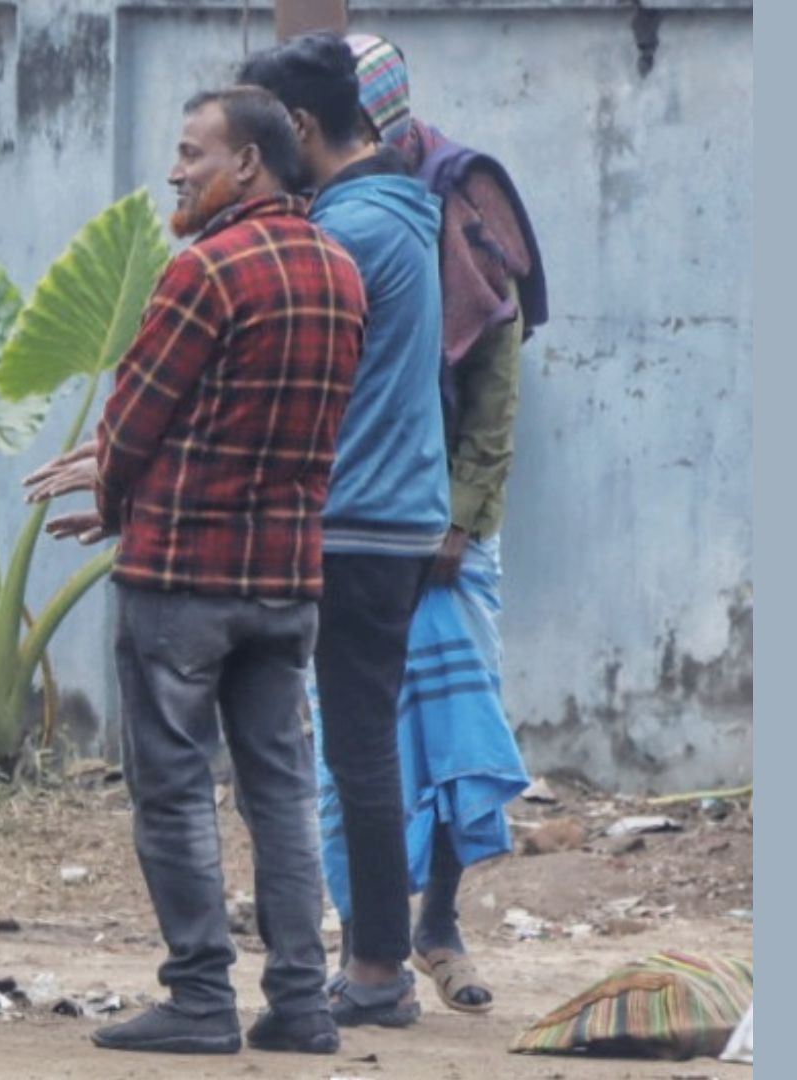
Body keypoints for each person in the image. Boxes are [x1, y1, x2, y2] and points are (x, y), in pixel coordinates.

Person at [45, 85, 366, 1057]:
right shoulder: (342, 272)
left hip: (183, 579)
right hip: (287, 582)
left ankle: (198, 999)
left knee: (176, 787)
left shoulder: (206, 273)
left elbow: (132, 424)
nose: (178, 169)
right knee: (280, 787)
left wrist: (109, 504)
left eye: (193, 153)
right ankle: (304, 1005)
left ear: (250, 165)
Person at [316, 31, 547, 1015]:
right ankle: (371, 944)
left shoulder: (458, 189)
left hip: (442, 523)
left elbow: (496, 371)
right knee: (356, 742)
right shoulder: (328, 202)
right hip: (355, 514)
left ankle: (439, 922)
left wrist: (463, 516)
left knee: (454, 724)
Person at [239, 32, 450, 1028]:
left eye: (253, 133)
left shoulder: (350, 232)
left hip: (358, 520)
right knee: (359, 746)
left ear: (302, 129)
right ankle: (373, 962)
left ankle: (374, 972)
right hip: (392, 516)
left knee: (357, 749)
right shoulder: (393, 208)